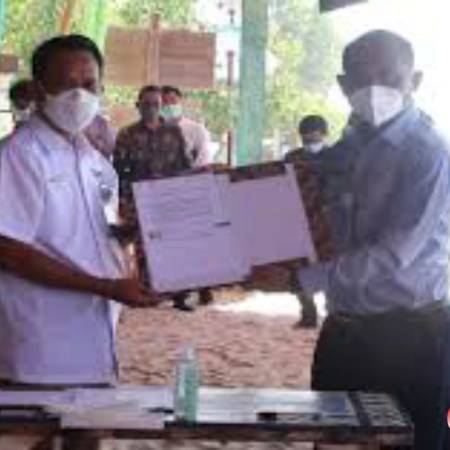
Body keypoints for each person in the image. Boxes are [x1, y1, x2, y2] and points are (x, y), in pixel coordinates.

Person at [251, 30, 450, 450]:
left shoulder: (428, 152)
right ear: (344, 85)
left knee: (414, 442)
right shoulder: (353, 140)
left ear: (415, 80)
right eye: (361, 78)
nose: (375, 89)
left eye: (389, 77)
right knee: (332, 440)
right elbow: (307, 183)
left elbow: (393, 255)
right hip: (343, 332)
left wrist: (296, 280)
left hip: (412, 335)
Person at [0, 34, 159, 450]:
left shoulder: (93, 159)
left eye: (89, 84)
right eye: (66, 84)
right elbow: (9, 251)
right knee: (35, 440)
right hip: (40, 345)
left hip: (95, 338)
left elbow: (91, 231)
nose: (79, 95)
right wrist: (105, 286)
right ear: (39, 90)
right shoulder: (18, 155)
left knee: (85, 441)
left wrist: (130, 234)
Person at [113, 85, 195, 312]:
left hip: (170, 198)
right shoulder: (127, 135)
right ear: (137, 106)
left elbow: (185, 165)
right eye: (146, 104)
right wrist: (125, 202)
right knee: (144, 248)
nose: (151, 108)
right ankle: (148, 292)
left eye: (155, 104)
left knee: (175, 246)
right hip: (140, 200)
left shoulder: (174, 132)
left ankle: (180, 295)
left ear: (161, 107)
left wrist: (186, 195)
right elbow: (118, 171)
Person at [285, 115, 330, 328]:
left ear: (325, 134)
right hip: (298, 220)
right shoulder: (291, 158)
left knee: (329, 266)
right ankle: (308, 313)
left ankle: (333, 312)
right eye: (305, 137)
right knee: (299, 268)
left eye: (314, 136)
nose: (309, 140)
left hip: (328, 223)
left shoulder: (335, 157)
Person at [161, 85, 211, 167]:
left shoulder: (197, 129)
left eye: (173, 101)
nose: (169, 105)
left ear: (181, 102)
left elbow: (203, 162)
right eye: (164, 102)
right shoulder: (152, 131)